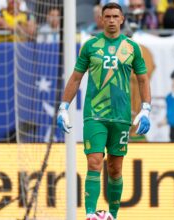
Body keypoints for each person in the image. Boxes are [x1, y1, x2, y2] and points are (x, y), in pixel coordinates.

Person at [57, 3, 151, 220]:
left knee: (115, 168)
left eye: (115, 16)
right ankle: (90, 215)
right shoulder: (90, 46)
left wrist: (145, 108)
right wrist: (63, 107)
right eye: (107, 16)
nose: (110, 20)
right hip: (95, 115)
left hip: (121, 116)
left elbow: (143, 79)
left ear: (122, 19)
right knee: (94, 162)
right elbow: (76, 78)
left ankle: (113, 216)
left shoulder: (132, 48)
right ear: (101, 19)